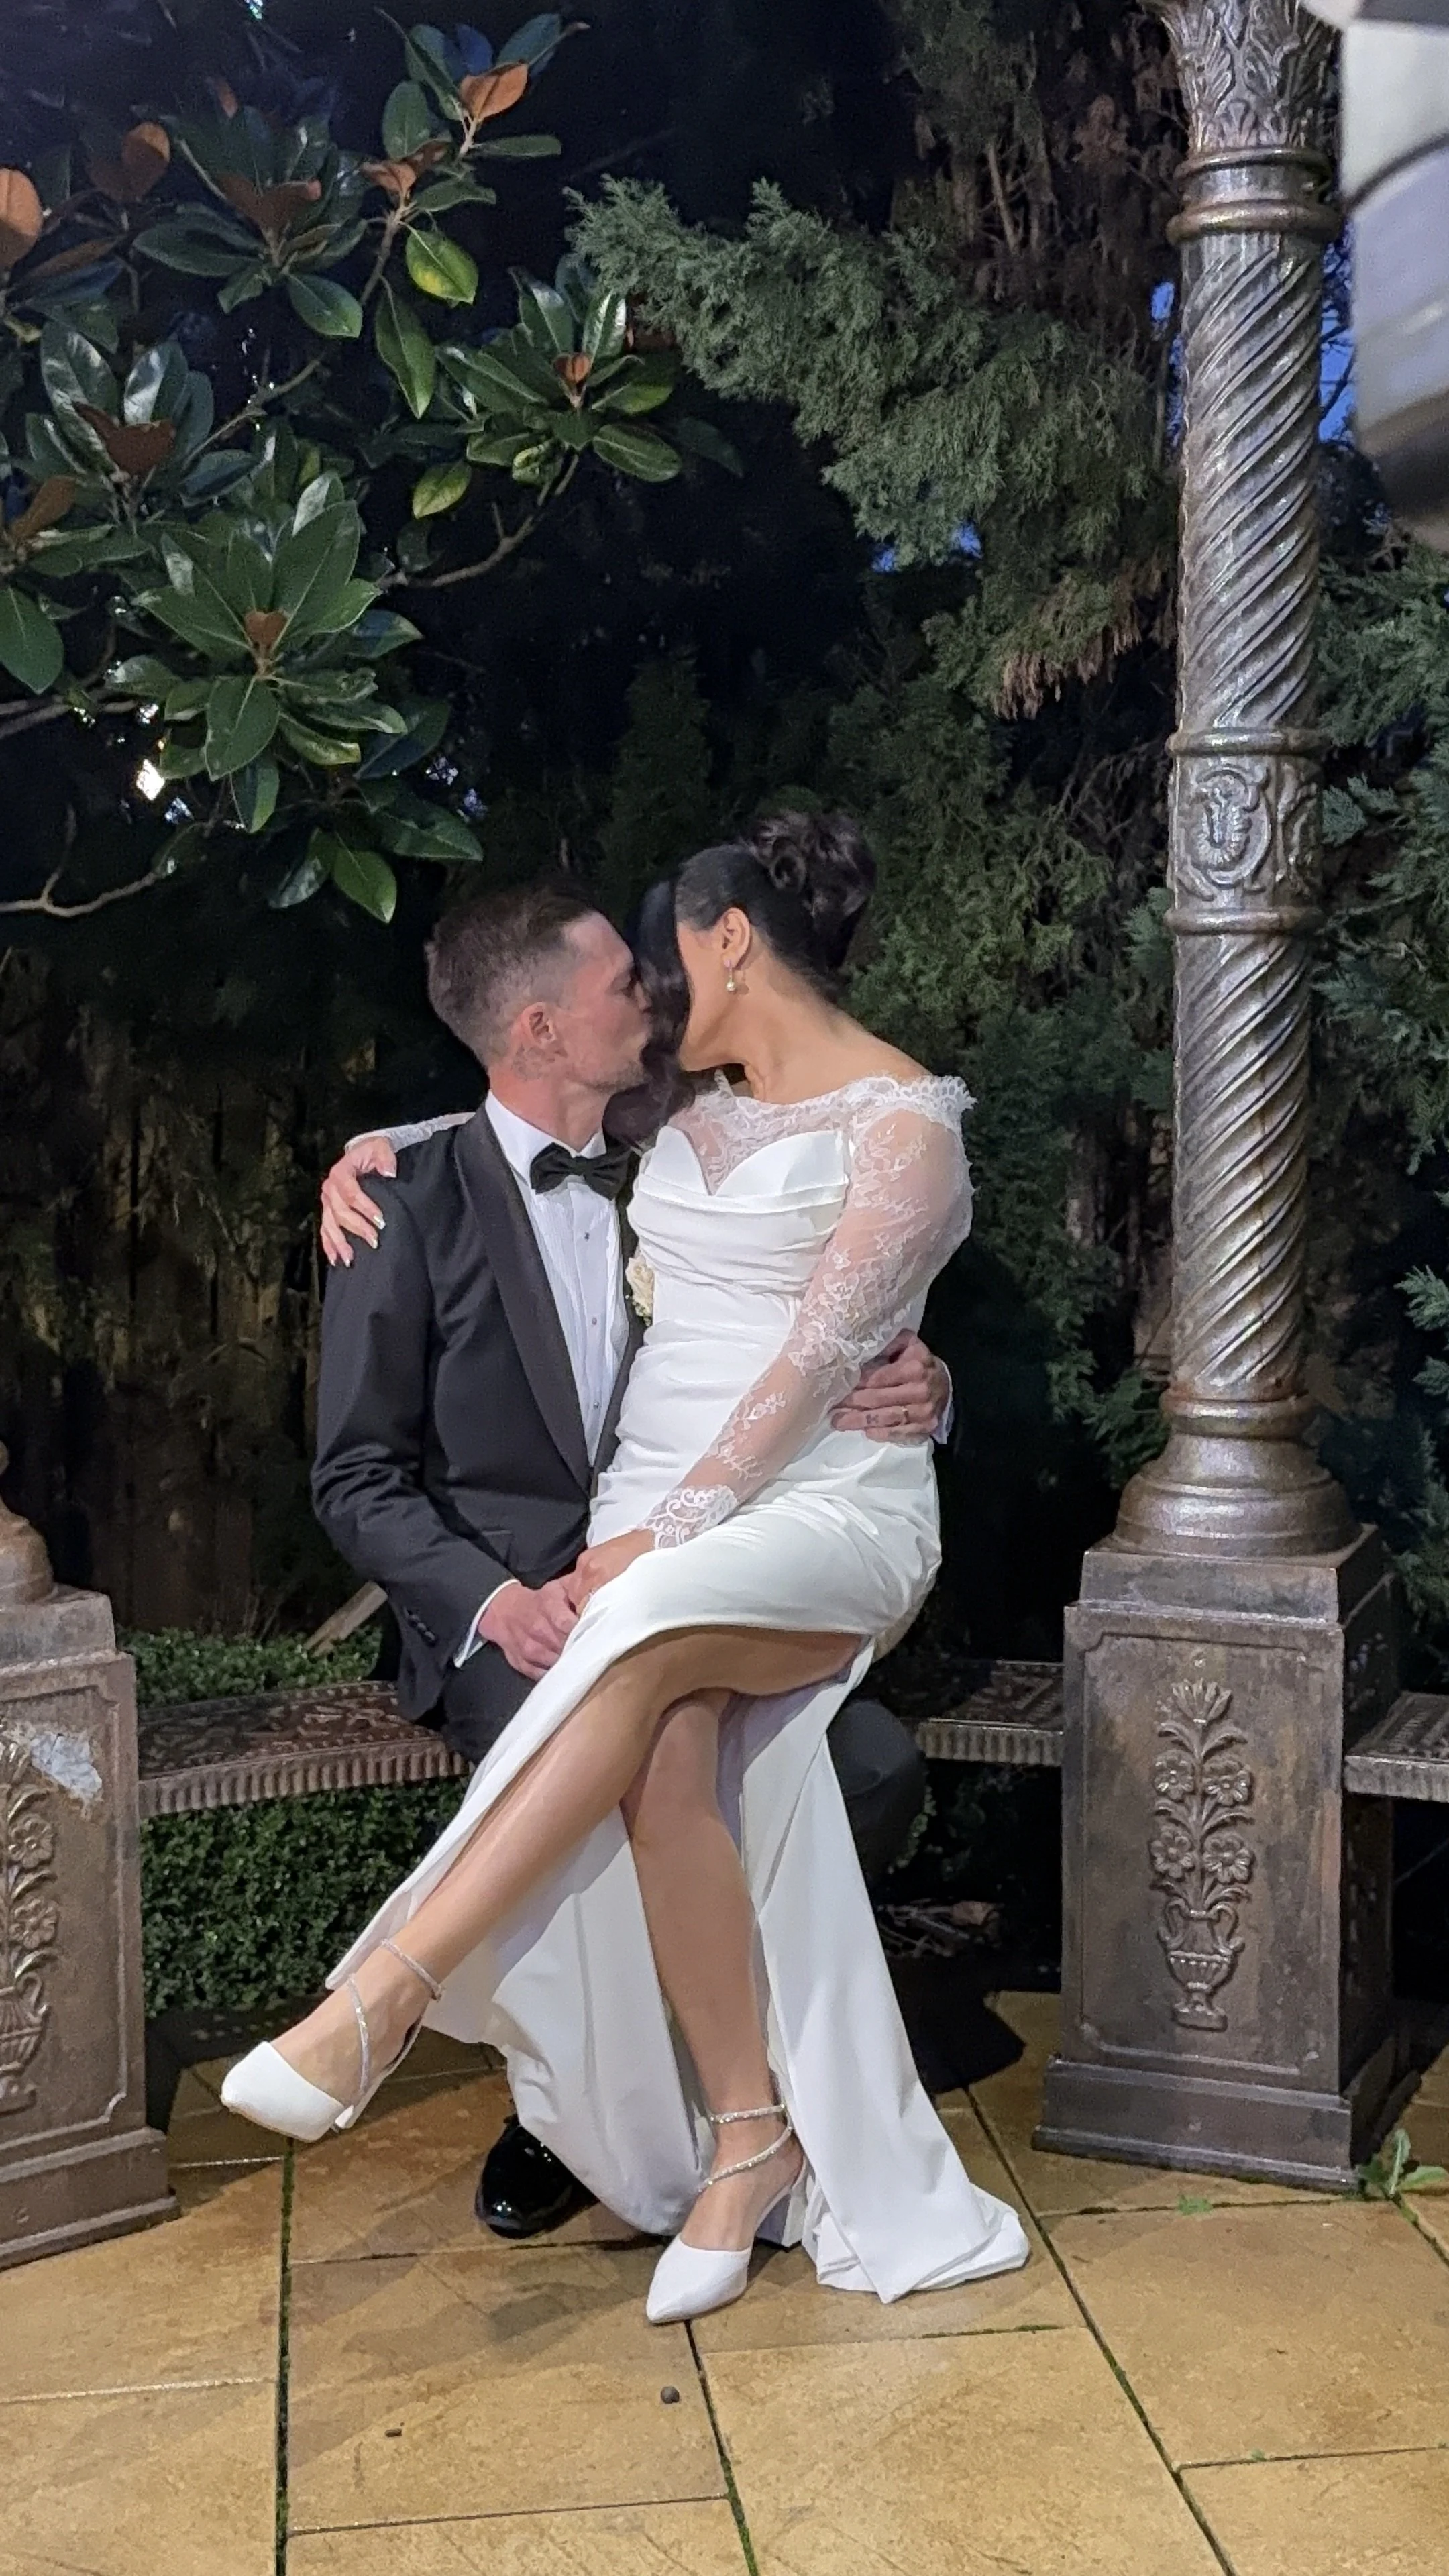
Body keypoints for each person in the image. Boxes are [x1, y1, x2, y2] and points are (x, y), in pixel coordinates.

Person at [224, 814, 1029, 2322]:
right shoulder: (445, 1184)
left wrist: (922, 1393)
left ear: (731, 941)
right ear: (543, 1027)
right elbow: (356, 1470)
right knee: (659, 1743)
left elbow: (833, 1326)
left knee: (691, 1672)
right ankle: (706, 2133)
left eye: (659, 965)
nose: (649, 1000)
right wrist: (498, 1594)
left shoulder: (779, 1117)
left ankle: (387, 1997)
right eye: (620, 983)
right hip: (517, 1604)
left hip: (734, 1534)